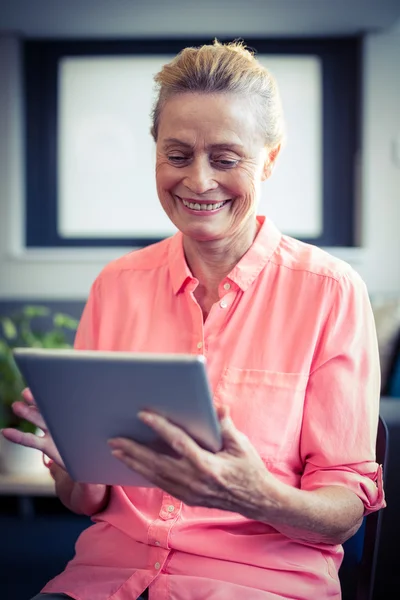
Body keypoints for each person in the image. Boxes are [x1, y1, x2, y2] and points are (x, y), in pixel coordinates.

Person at [2, 40, 385, 600]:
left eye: (226, 159)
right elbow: (88, 501)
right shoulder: (116, 285)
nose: (199, 181)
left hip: (256, 586)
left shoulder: (331, 292)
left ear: (270, 159)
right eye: (177, 155)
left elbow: (344, 514)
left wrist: (256, 495)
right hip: (104, 580)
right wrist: (75, 469)